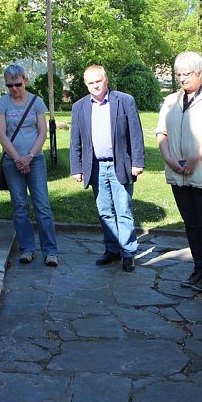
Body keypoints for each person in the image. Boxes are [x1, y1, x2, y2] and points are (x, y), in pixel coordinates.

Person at [155, 51, 202, 292]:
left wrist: (196, 157)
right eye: (178, 74)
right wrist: (168, 158)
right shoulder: (171, 100)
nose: (182, 78)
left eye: (187, 73)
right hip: (177, 172)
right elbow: (161, 132)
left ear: (199, 72)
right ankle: (198, 269)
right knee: (190, 223)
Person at [70, 65, 145, 272]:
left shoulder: (125, 101)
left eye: (98, 81)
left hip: (120, 164)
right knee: (104, 212)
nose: (95, 86)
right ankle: (112, 249)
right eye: (90, 83)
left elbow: (136, 134)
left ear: (106, 80)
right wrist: (76, 168)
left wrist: (137, 162)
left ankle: (128, 252)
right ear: (86, 85)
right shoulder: (79, 107)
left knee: (123, 210)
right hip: (95, 167)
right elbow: (75, 140)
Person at [0, 65, 59, 267]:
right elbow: (1, 135)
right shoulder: (2, 104)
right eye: (9, 85)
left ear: (25, 81)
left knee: (42, 206)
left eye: (17, 84)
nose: (14, 88)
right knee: (20, 206)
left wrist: (29, 157)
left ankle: (50, 251)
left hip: (35, 160)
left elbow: (42, 133)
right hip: (12, 162)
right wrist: (17, 159)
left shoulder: (36, 102)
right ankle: (27, 249)